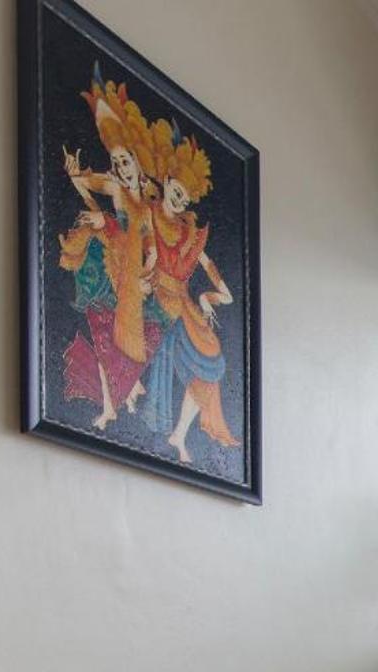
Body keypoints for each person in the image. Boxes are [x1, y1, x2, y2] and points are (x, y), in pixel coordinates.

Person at [57, 74, 159, 429]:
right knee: (102, 334)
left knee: (124, 340)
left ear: (136, 162)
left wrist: (148, 274)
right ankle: (112, 401)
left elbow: (150, 248)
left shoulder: (146, 209)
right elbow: (87, 183)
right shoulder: (115, 188)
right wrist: (75, 175)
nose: (120, 168)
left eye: (125, 161)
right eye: (116, 163)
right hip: (111, 266)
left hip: (132, 277)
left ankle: (122, 394)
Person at [141, 129, 238, 463]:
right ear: (167, 182)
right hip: (156, 293)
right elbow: (147, 252)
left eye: (185, 199)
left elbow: (207, 264)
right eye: (177, 192)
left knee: (212, 358)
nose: (180, 201)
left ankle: (180, 434)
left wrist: (212, 295)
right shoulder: (148, 212)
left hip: (181, 301)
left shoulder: (188, 232)